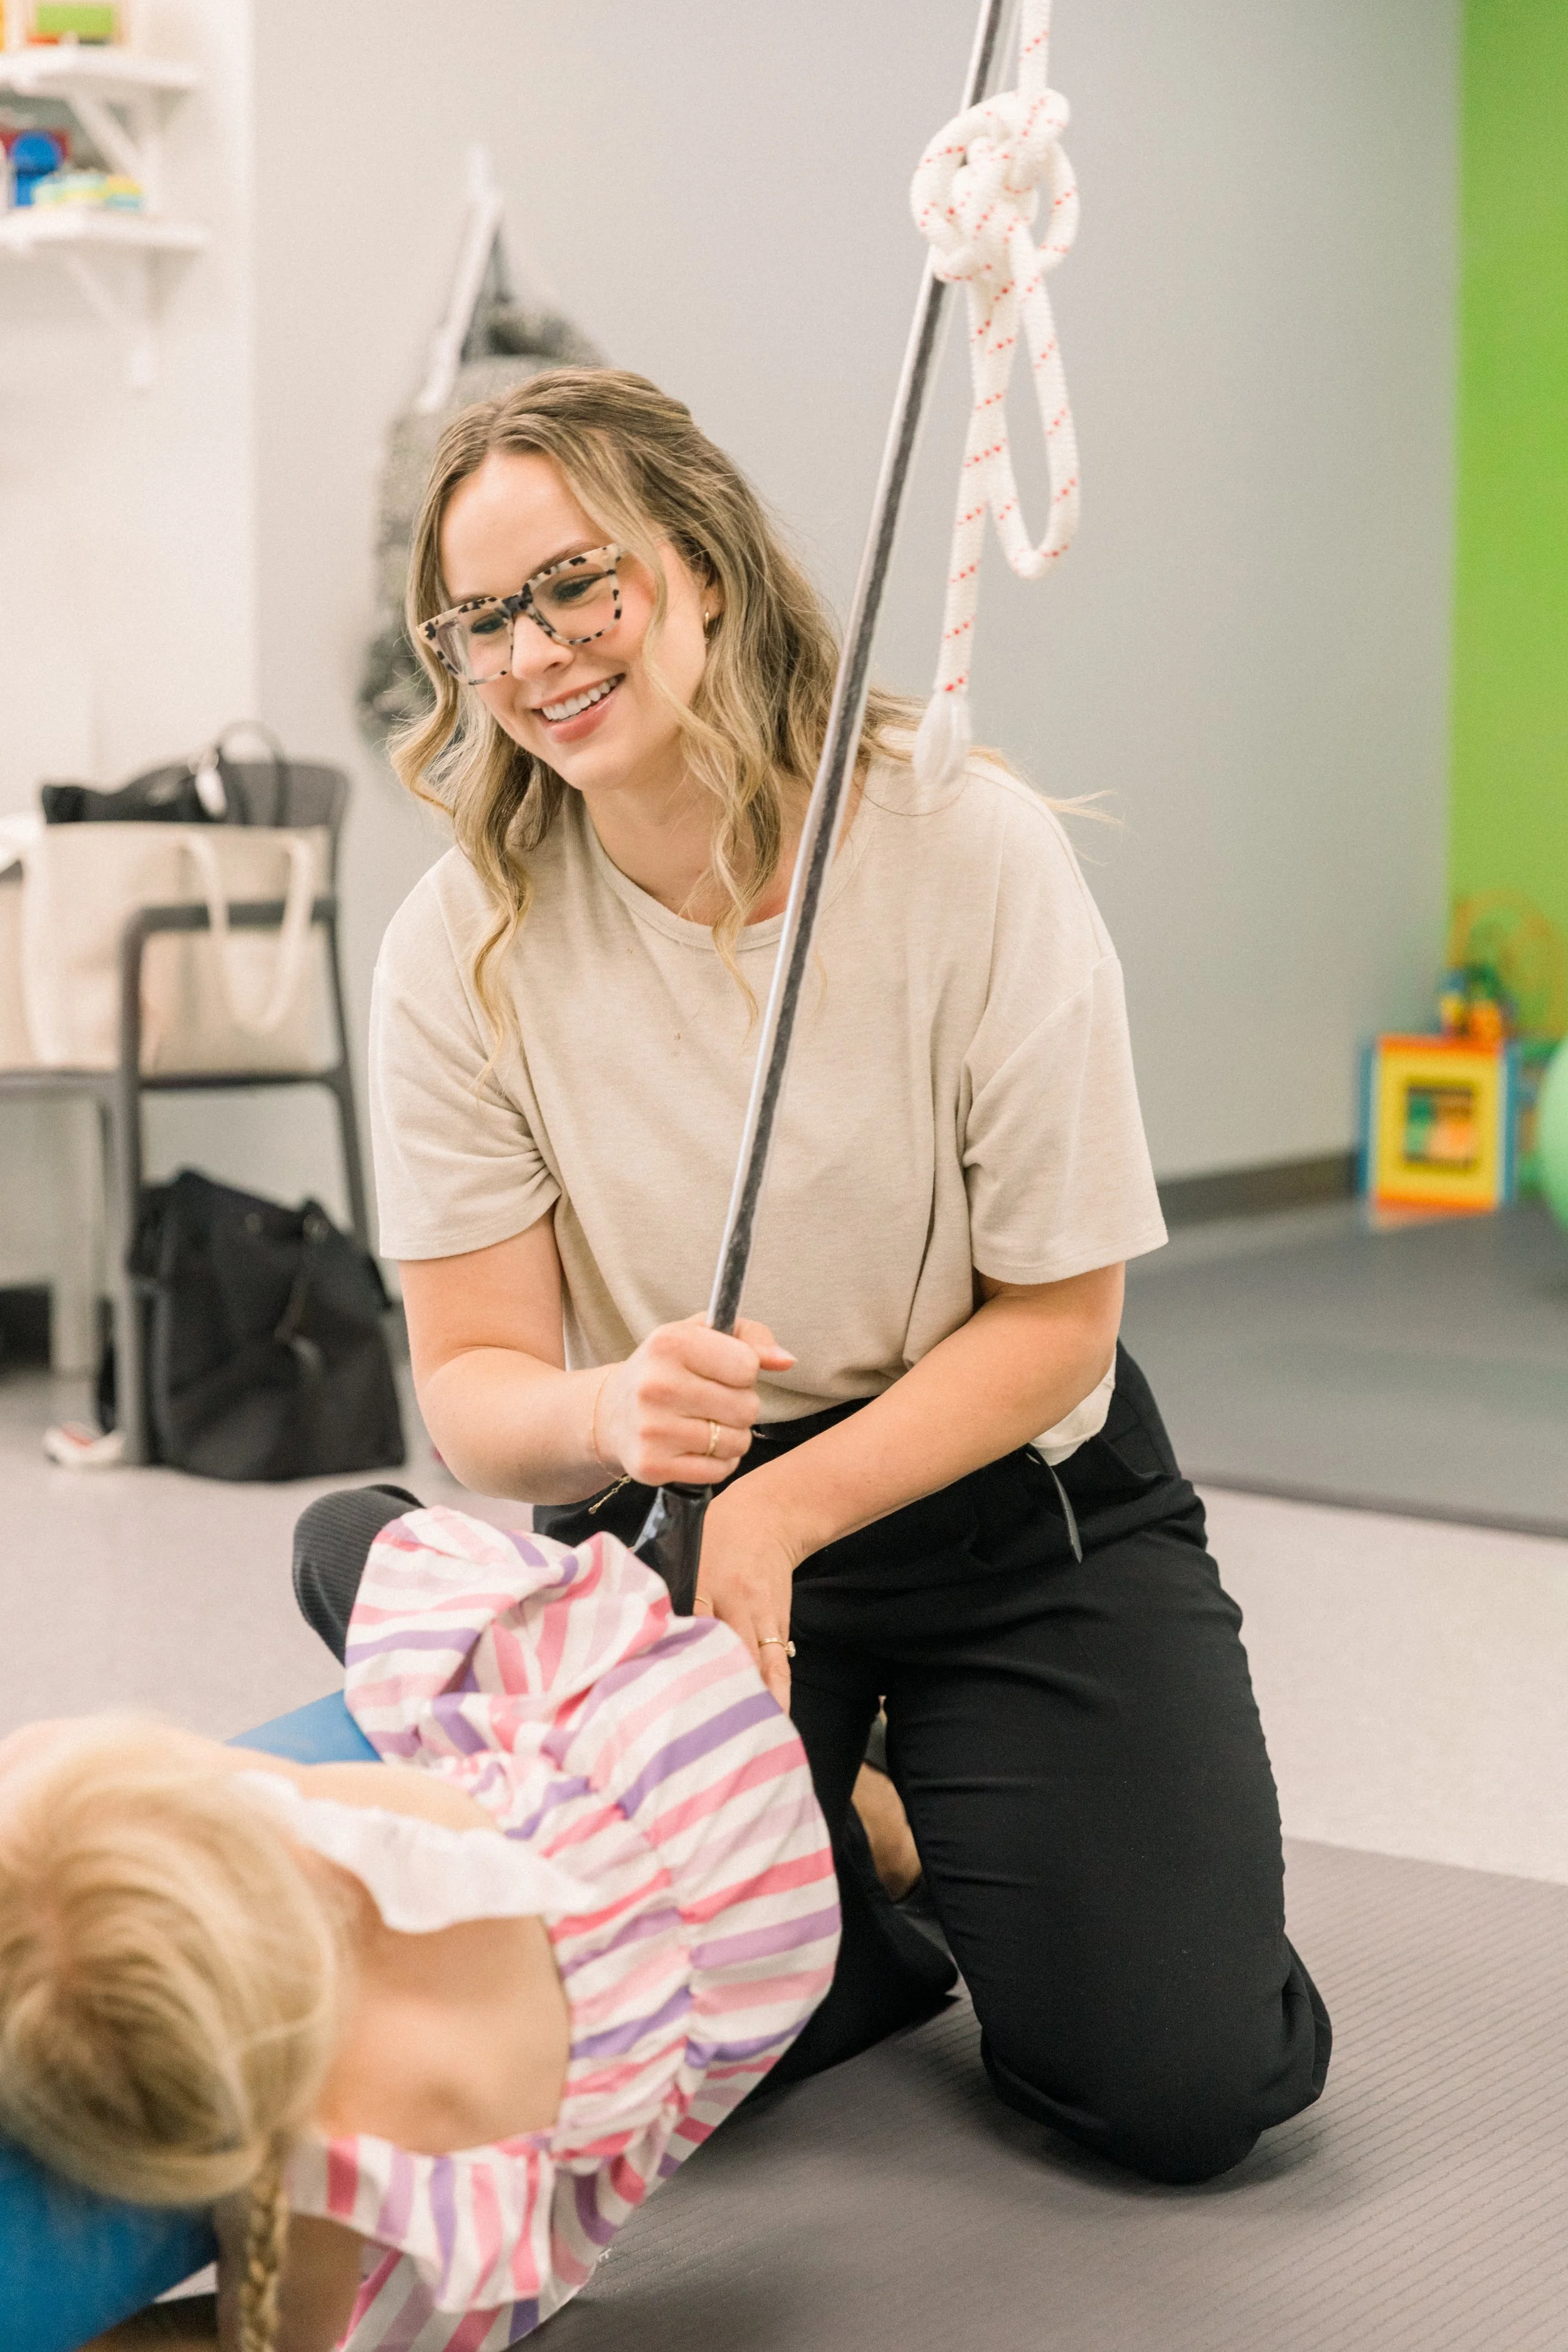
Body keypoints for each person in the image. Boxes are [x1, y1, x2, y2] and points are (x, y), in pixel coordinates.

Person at [374, 365, 1331, 2188]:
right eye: (481, 618)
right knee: (652, 2056)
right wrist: (605, 1410)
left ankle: (895, 1791)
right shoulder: (462, 945)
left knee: (1179, 2094)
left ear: (704, 566)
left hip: (1003, 1501)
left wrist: (783, 1514)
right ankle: (868, 1845)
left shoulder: (961, 843)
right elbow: (477, 1379)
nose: (539, 649)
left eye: (583, 582)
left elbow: (1060, 1329)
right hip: (684, 1518)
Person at [0, 1494, 837, 2352]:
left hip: (762, 1942)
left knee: (391, 2328)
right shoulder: (318, 1829)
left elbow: (284, 2340)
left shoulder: (312, 2160)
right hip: (690, 1746)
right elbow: (81, 1765)